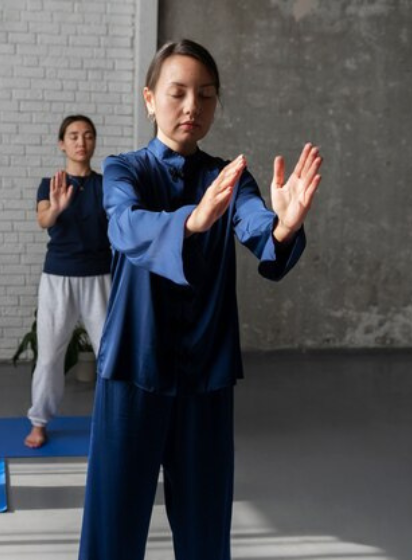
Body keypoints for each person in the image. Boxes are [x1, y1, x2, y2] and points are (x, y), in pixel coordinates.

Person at [77, 40, 322, 559]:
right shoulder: (124, 171)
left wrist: (283, 227)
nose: (193, 107)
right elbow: (123, 226)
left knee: (206, 531)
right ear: (149, 99)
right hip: (132, 368)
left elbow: (259, 230)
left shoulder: (228, 177)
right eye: (178, 92)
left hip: (204, 374)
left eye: (206, 95)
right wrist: (191, 220)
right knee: (112, 530)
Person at [25, 115, 112, 448]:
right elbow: (42, 220)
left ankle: (111, 420)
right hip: (58, 277)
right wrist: (58, 208)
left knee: (108, 354)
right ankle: (39, 422)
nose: (81, 142)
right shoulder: (50, 184)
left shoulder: (107, 186)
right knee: (49, 355)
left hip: (99, 277)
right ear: (62, 143)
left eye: (88, 135)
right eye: (74, 136)